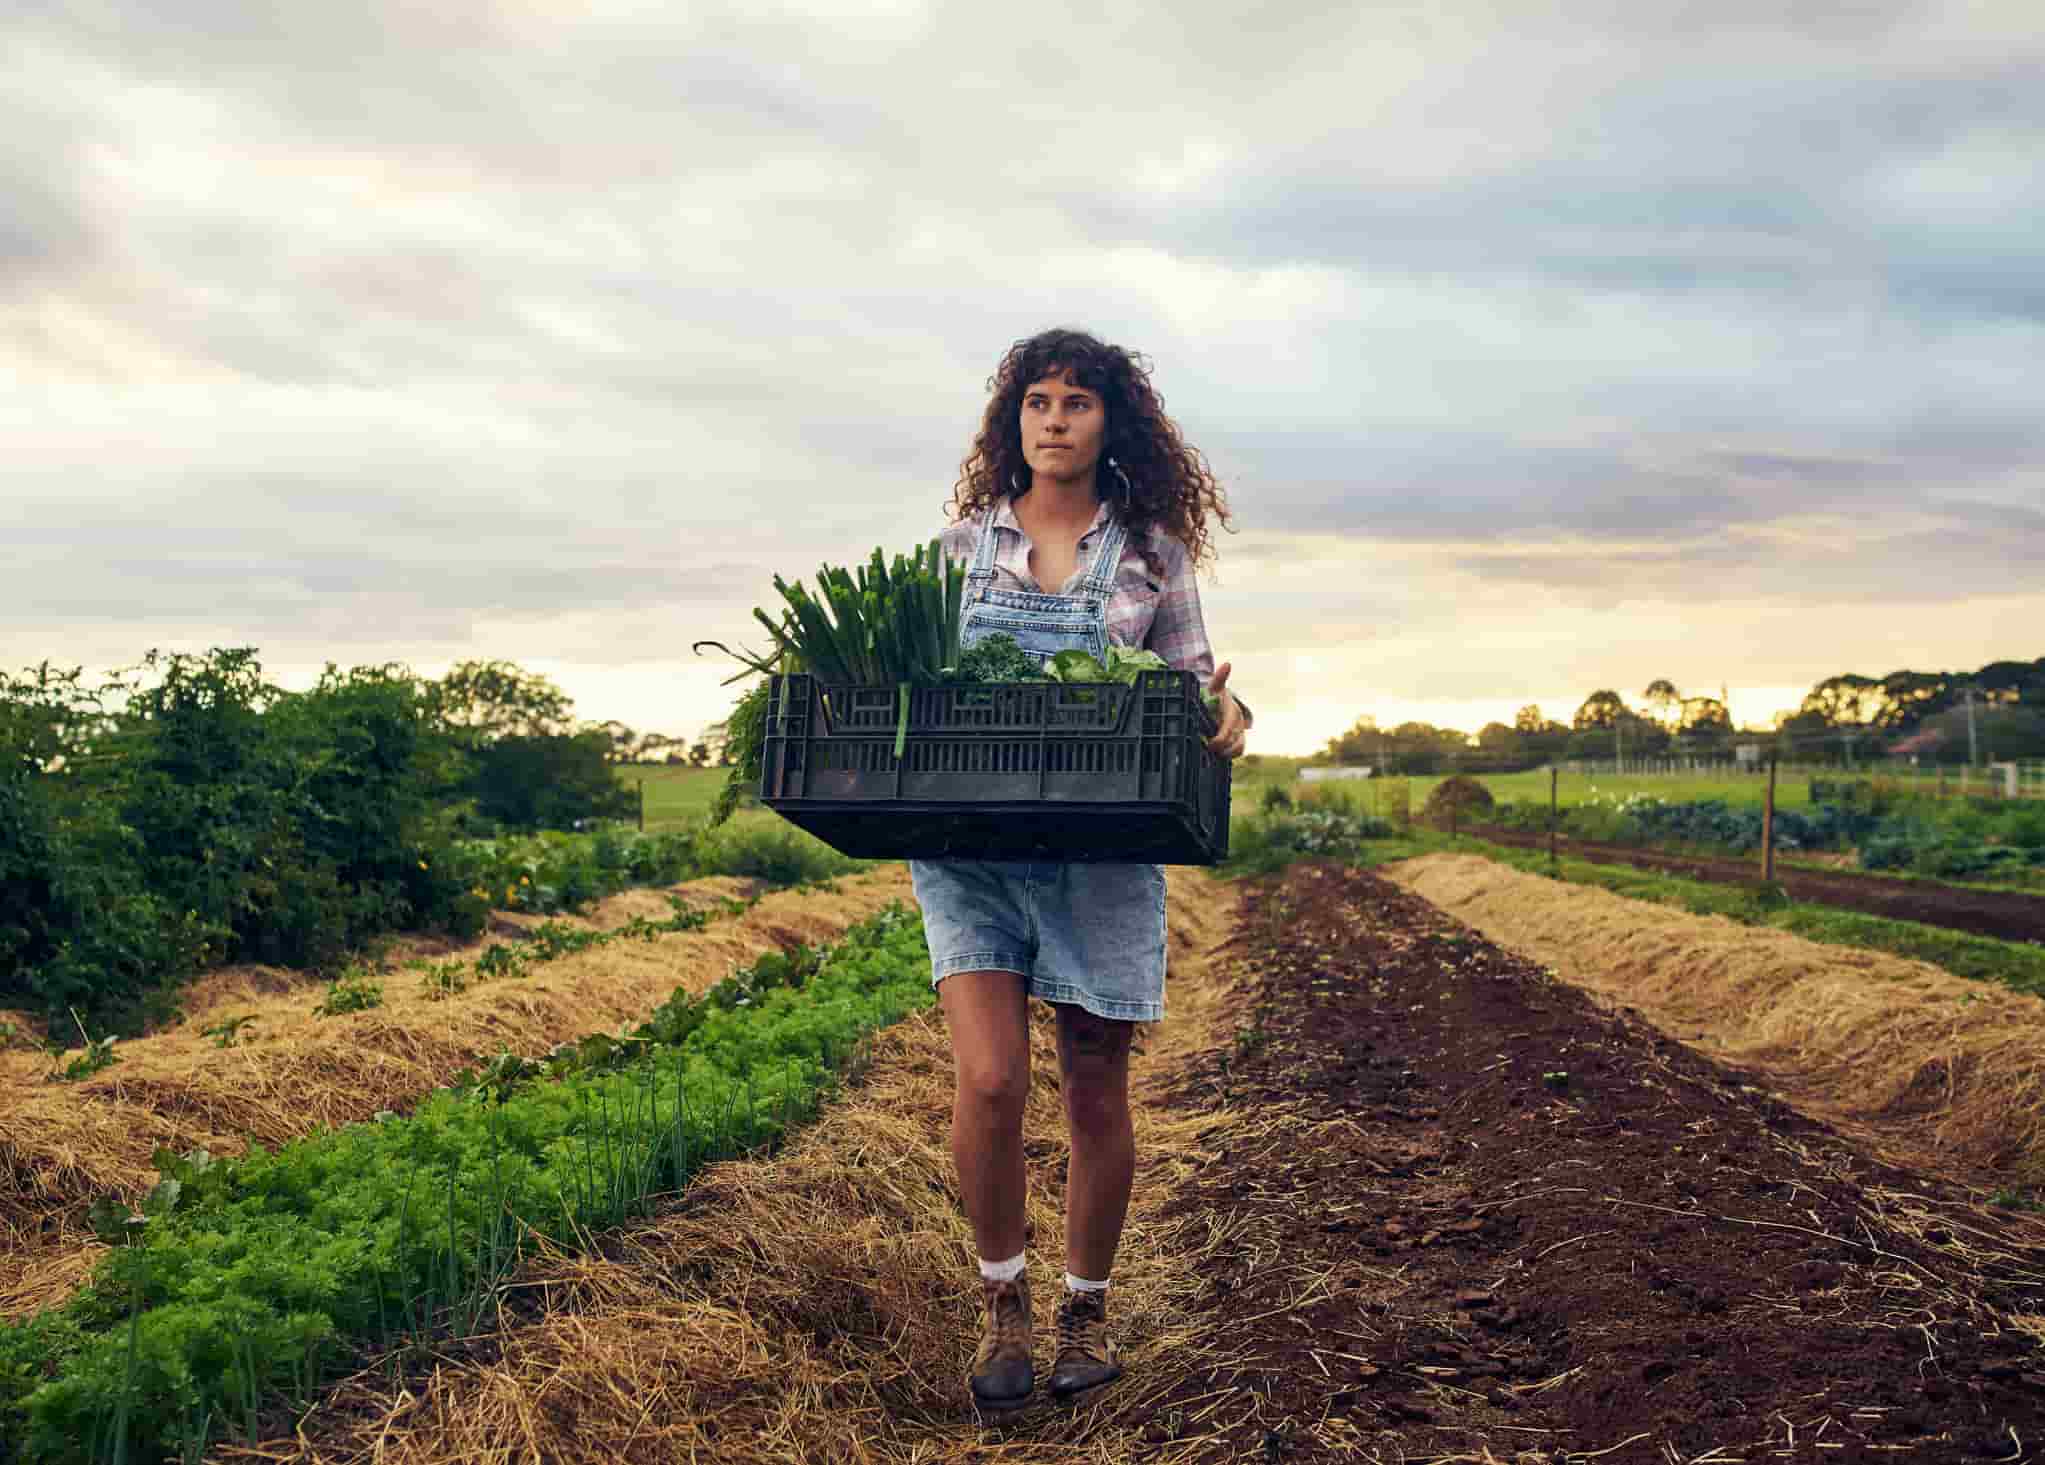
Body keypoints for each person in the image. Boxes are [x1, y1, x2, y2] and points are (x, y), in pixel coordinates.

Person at [910, 327, 1251, 1412]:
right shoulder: (952, 550)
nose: (1053, 419)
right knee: (991, 1078)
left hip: (1102, 851)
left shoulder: (1152, 552)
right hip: (970, 849)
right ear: (1013, 423)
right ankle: (1000, 1305)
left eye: (1075, 403)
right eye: (1037, 402)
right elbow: (915, 688)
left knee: (1094, 1083)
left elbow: (1194, 687)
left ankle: (1083, 1314)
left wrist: (1229, 714)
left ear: (1113, 426)